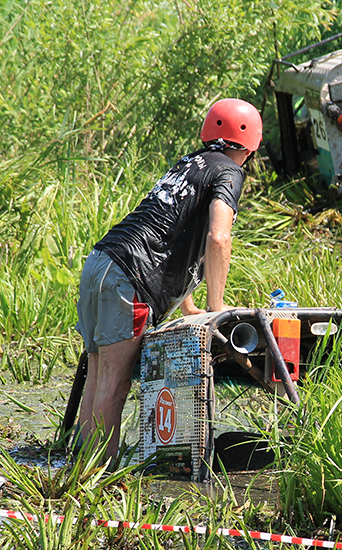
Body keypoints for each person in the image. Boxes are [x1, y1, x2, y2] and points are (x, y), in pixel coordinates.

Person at [74, 98, 262, 462]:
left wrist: (188, 306)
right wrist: (217, 307)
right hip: (130, 278)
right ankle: (97, 482)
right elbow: (218, 237)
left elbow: (178, 232)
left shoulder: (190, 163)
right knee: (114, 386)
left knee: (97, 378)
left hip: (101, 261)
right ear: (250, 146)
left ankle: (78, 472)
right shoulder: (229, 172)